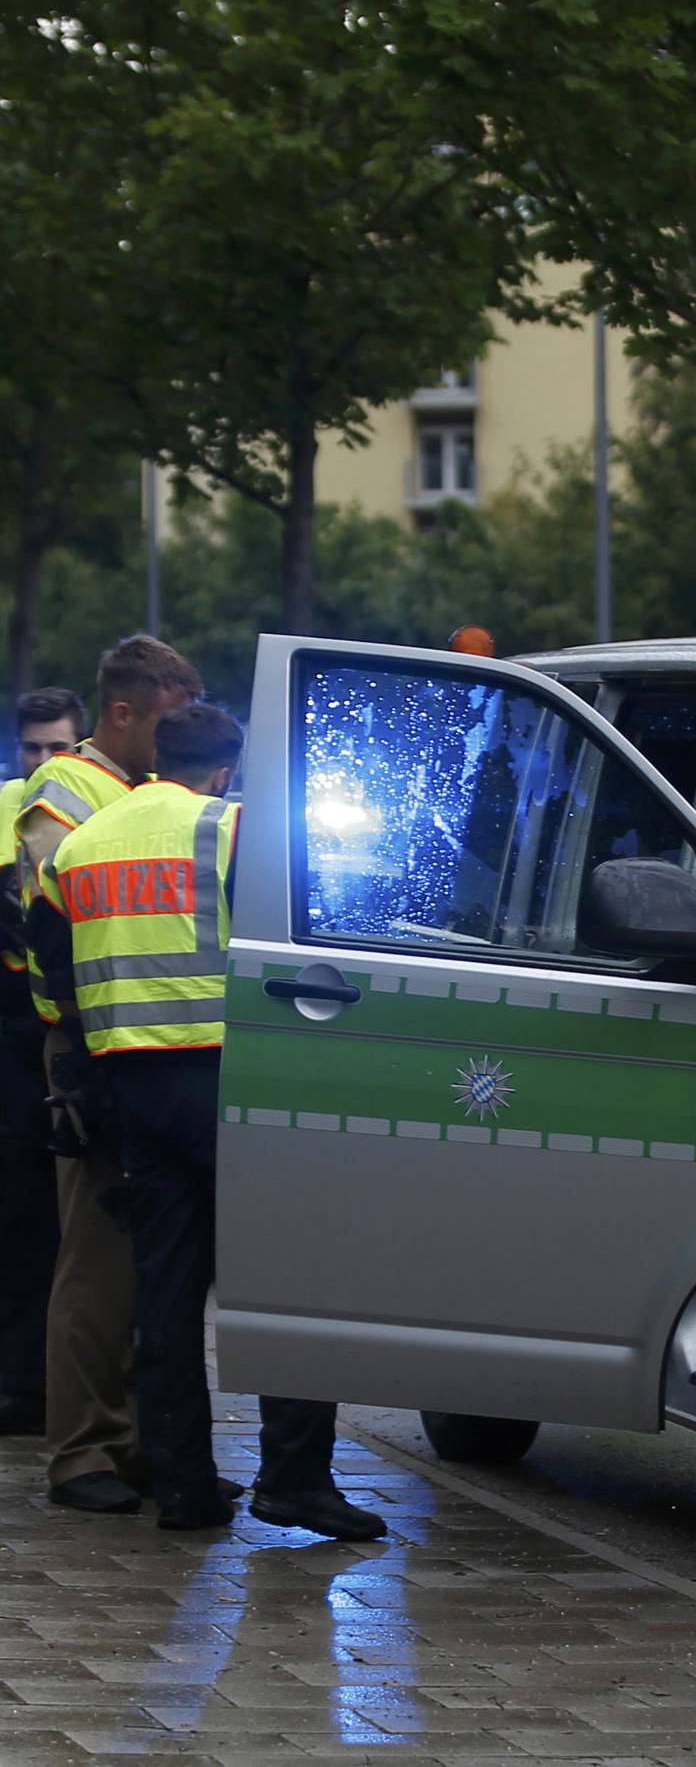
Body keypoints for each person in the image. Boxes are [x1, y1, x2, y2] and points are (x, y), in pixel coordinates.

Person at [38, 703, 387, 1538]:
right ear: (227, 769)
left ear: (162, 755)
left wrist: (87, 1067)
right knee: (291, 1278)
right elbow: (298, 955)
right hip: (234, 1077)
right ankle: (294, 1479)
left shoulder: (86, 841)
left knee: (165, 1291)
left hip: (131, 1086)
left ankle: (184, 1486)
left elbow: (51, 973)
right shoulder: (231, 832)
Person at [16, 635, 200, 1514]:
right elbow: (41, 929)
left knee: (139, 1259)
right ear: (122, 712)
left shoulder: (137, 792)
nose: (173, 746)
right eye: (163, 724)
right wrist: (78, 1056)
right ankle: (82, 1449)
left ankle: (125, 1440)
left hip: (147, 1049)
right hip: (90, 1049)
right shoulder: (67, 790)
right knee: (94, 1259)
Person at [0, 688, 86, 1436]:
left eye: (55, 747)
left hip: (65, 1038)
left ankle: (45, 1385)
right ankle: (20, 1385)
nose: (40, 763)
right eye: (30, 748)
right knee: (19, 1218)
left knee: (63, 1226)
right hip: (9, 1035)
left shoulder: (95, 809)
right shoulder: (5, 808)